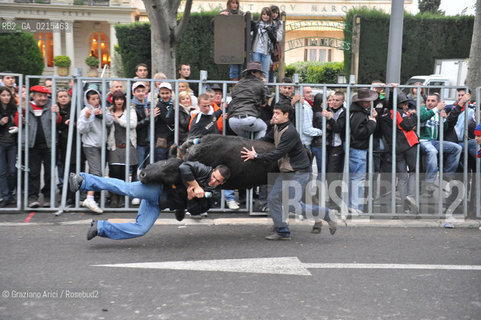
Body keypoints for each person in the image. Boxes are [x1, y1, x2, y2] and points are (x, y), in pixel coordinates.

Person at [241, 104, 337, 240]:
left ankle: (327, 214)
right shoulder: (276, 127)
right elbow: (265, 140)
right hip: (287, 171)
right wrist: (247, 146)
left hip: (299, 172)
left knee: (293, 206)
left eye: (277, 113)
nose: (274, 115)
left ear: (286, 115)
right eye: (274, 112)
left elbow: (277, 153)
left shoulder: (290, 132)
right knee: (273, 199)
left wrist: (256, 156)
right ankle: (282, 231)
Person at [69, 162, 230, 240]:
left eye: (218, 181)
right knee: (126, 188)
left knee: (141, 229)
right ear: (213, 170)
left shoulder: (213, 194)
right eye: (214, 177)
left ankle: (100, 227)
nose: (213, 181)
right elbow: (184, 167)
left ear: (222, 183)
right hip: (158, 189)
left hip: (160, 203)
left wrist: (190, 197)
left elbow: (196, 211)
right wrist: (194, 185)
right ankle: (83, 180)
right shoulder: (203, 170)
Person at [14, 85, 61, 208]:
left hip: (49, 145)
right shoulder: (26, 106)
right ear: (33, 96)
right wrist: (22, 111)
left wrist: (57, 113)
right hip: (32, 145)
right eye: (40, 96)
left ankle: (47, 196)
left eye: (45, 96)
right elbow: (18, 122)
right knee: (33, 173)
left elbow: (57, 122)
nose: (43, 98)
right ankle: (32, 197)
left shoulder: (52, 105)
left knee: (49, 172)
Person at [380, 93, 419, 214]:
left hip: (395, 150)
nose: (407, 106)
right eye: (405, 103)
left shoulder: (383, 116)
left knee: (402, 177)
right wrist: (414, 116)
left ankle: (405, 207)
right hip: (409, 145)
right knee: (413, 172)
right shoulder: (398, 112)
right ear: (401, 104)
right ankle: (411, 197)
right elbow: (407, 125)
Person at [77, 89, 114, 213]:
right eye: (93, 99)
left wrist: (101, 115)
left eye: (97, 98)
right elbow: (81, 129)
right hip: (90, 145)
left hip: (102, 145)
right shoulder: (84, 112)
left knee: (96, 172)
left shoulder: (104, 109)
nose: (96, 101)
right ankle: (89, 198)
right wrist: (88, 117)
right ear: (87, 100)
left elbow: (110, 121)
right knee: (96, 172)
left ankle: (85, 196)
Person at [419, 93, 462, 196]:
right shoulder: (423, 109)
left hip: (435, 141)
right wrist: (436, 109)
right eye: (428, 100)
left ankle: (446, 177)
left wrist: (444, 119)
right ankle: (429, 185)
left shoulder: (439, 113)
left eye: (432, 101)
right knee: (433, 152)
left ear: (437, 102)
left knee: (457, 148)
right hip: (423, 140)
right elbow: (421, 118)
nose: (429, 103)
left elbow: (445, 129)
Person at [348, 88, 378, 214]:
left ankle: (353, 205)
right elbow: (359, 132)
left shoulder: (356, 111)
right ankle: (355, 206)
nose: (371, 103)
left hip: (355, 148)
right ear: (363, 102)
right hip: (358, 148)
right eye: (368, 101)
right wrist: (372, 123)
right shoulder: (359, 114)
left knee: (355, 178)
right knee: (358, 179)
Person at [107, 91, 138, 208]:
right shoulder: (109, 111)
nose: (119, 101)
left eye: (121, 99)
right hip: (114, 146)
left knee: (124, 174)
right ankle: (113, 197)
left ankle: (121, 198)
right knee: (114, 172)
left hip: (127, 145)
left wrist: (118, 120)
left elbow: (133, 124)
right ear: (113, 100)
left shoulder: (130, 111)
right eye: (117, 99)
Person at [228, 62, 267, 140]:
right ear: (253, 73)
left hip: (232, 121)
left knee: (247, 141)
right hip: (248, 119)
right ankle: (257, 148)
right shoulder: (260, 83)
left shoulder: (238, 84)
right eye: (259, 73)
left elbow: (233, 97)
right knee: (263, 127)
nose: (260, 75)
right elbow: (263, 102)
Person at [0, 86, 18, 207]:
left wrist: (17, 128)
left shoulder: (13, 108)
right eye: (3, 95)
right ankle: (5, 195)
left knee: (12, 170)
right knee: (2, 171)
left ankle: (10, 193)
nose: (6, 97)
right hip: (0, 143)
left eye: (8, 95)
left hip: (12, 143)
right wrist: (0, 123)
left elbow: (20, 122)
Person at [219, 0, 244, 81]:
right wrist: (221, 16)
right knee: (234, 69)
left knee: (241, 69)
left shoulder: (241, 14)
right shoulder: (224, 13)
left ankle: (241, 89)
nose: (235, 5)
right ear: (229, 3)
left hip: (240, 44)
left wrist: (248, 18)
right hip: (230, 44)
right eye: (233, 3)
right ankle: (235, 89)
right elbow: (214, 23)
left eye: (236, 3)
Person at [250, 7, 277, 77]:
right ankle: (256, 87)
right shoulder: (256, 24)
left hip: (266, 52)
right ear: (261, 15)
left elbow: (274, 40)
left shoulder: (273, 25)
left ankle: (265, 88)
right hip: (256, 51)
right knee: (255, 72)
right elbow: (247, 27)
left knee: (265, 73)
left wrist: (268, 29)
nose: (265, 16)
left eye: (267, 15)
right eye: (264, 14)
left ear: (270, 16)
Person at [153, 82, 175, 161]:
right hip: (161, 140)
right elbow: (168, 120)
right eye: (162, 93)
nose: (165, 96)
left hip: (172, 138)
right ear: (159, 93)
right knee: (161, 163)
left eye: (167, 93)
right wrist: (173, 109)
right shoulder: (159, 105)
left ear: (171, 93)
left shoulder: (174, 104)